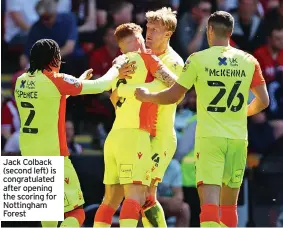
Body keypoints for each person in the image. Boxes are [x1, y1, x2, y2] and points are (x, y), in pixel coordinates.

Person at [135, 11, 270, 227]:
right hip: (238, 140)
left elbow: (174, 96)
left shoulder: (198, 59)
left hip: (210, 140)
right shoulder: (249, 60)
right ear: (231, 32)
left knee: (208, 208)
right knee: (229, 209)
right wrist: (240, 113)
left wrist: (146, 96)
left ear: (209, 30)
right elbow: (263, 101)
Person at [14, 38, 128, 228]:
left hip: (28, 153)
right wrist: (117, 67)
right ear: (53, 59)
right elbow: (101, 85)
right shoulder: (56, 80)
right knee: (76, 213)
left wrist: (78, 83)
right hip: (53, 154)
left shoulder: (21, 81)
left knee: (48, 213)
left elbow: (50, 99)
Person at [93, 22, 181, 228]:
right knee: (136, 196)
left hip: (114, 136)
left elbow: (112, 97)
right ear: (139, 39)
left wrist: (122, 91)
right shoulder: (147, 58)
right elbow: (176, 85)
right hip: (136, 135)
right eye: (146, 33)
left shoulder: (117, 63)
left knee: (110, 200)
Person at [119, 7, 184, 227]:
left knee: (145, 195)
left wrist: (124, 90)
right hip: (141, 135)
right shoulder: (142, 56)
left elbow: (155, 89)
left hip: (161, 137)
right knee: (143, 196)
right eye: (148, 28)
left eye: (156, 30)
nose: (149, 33)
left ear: (168, 34)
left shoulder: (173, 61)